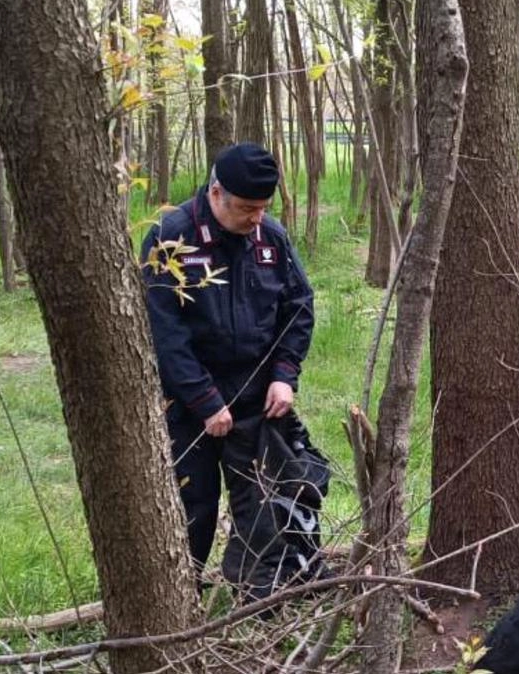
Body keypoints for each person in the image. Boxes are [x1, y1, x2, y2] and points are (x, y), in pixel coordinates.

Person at [141, 142, 329, 602]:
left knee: (264, 502)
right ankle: (180, 601)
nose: (256, 219)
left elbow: (298, 308)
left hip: (257, 398)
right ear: (217, 192)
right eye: (247, 208)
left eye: (264, 208)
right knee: (192, 507)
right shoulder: (171, 237)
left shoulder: (272, 238)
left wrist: (285, 375)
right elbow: (163, 331)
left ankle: (260, 599)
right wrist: (204, 401)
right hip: (189, 403)